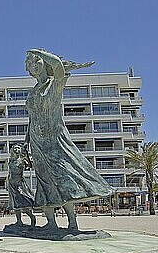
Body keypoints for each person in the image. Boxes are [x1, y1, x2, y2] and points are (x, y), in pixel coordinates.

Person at [24, 49, 113, 230]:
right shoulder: (33, 92)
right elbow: (31, 118)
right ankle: (51, 222)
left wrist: (39, 52)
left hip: (54, 139)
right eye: (30, 63)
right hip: (36, 141)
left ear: (45, 63)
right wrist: (26, 142)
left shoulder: (55, 83)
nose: (33, 66)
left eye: (37, 61)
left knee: (62, 176)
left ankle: (72, 221)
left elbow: (57, 66)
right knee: (43, 180)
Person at [7, 143, 37, 226]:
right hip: (11, 184)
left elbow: (30, 166)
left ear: (20, 150)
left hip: (19, 183)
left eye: (18, 148)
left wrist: (26, 154)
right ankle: (19, 221)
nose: (16, 150)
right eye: (15, 148)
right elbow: (9, 173)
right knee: (15, 204)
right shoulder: (11, 160)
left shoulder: (23, 160)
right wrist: (7, 183)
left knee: (24, 203)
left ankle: (32, 217)